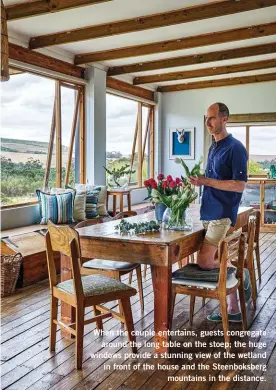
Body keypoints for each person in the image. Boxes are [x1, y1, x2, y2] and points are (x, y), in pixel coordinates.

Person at [189, 102, 248, 323]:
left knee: (205, 261)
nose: (207, 122)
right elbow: (213, 181)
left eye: (212, 118)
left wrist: (207, 181)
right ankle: (233, 309)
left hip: (223, 213)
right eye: (206, 118)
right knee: (217, 257)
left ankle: (243, 278)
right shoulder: (213, 147)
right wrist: (199, 183)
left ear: (225, 119)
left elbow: (239, 185)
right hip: (207, 211)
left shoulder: (236, 148)